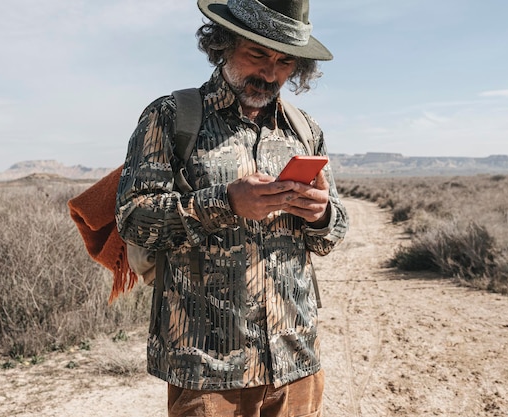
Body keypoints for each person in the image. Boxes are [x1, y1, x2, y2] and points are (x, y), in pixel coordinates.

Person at [115, 0, 348, 415]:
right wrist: (224, 203)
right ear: (222, 44)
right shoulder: (171, 118)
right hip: (207, 369)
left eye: (284, 61)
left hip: (295, 363)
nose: (270, 73)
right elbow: (133, 219)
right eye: (257, 53)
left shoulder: (304, 129)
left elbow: (333, 231)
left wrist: (321, 214)